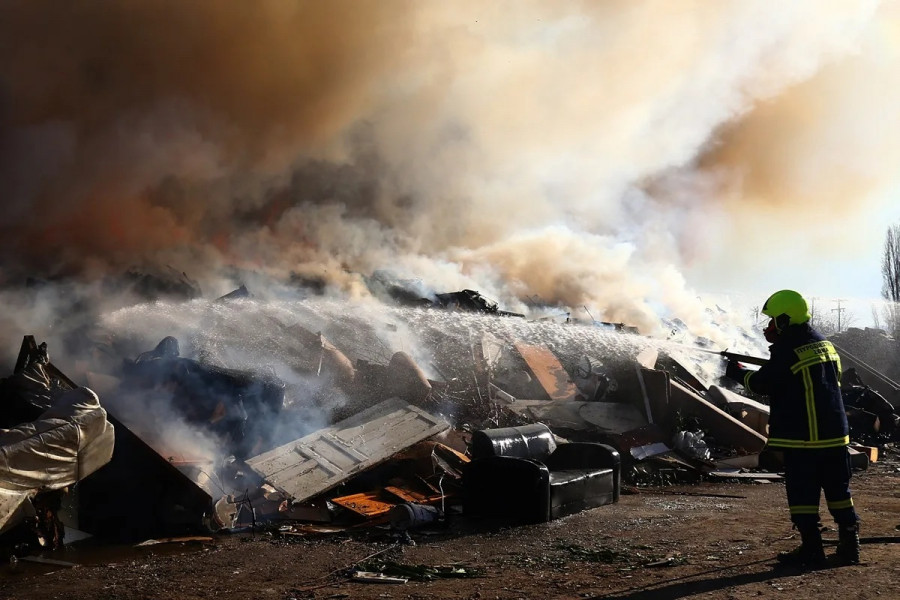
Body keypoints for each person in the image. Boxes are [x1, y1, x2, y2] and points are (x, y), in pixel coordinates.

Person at [725, 289, 859, 568]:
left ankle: (812, 549)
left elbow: (762, 384)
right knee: (839, 492)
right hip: (835, 435)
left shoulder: (787, 350)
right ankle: (850, 546)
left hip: (805, 437)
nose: (770, 327)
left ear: (786, 320)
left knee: (802, 496)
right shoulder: (824, 344)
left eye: (774, 321)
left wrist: (736, 371)